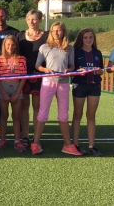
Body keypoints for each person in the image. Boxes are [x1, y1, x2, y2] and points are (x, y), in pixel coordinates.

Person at [32, 21, 78, 155]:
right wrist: (45, 69)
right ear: (51, 33)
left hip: (63, 83)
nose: (56, 33)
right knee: (43, 113)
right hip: (48, 82)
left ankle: (67, 145)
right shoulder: (45, 47)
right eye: (54, 31)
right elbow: (37, 65)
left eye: (59, 30)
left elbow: (72, 66)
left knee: (63, 115)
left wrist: (68, 70)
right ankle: (35, 143)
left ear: (63, 32)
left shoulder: (69, 48)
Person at [16, 9, 49, 147]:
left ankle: (36, 135)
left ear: (40, 20)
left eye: (35, 19)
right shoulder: (20, 36)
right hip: (23, 75)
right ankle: (25, 136)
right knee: (24, 106)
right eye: (29, 19)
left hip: (39, 74)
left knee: (37, 106)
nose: (32, 21)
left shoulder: (47, 36)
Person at [71, 28, 103, 156]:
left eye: (91, 37)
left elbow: (101, 70)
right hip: (80, 85)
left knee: (91, 116)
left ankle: (92, 145)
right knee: (77, 115)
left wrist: (100, 71)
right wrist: (78, 71)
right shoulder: (76, 52)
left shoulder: (97, 53)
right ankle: (76, 144)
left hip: (94, 86)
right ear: (81, 39)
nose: (88, 40)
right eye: (85, 37)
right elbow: (71, 69)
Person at [0, 35, 27, 151]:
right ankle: (2, 140)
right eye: (8, 44)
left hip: (17, 88)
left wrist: (17, 93)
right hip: (4, 88)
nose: (10, 47)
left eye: (13, 45)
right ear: (4, 45)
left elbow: (23, 78)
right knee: (4, 115)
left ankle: (17, 141)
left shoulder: (21, 59)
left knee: (16, 116)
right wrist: (4, 93)